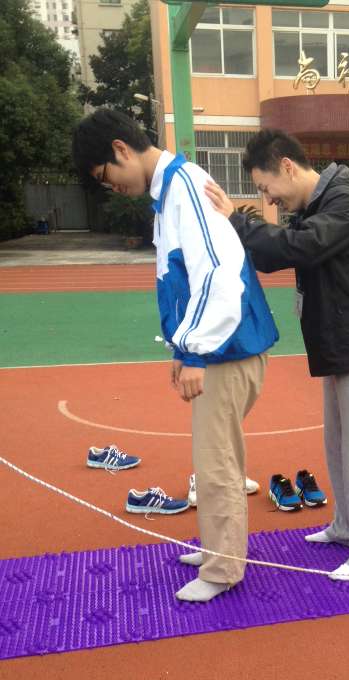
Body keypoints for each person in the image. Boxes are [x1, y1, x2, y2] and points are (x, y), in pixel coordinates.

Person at [72, 109, 279, 601]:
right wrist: (183, 347)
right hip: (219, 347)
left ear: (121, 149)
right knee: (213, 457)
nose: (110, 186)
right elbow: (182, 280)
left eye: (105, 175)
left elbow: (217, 275)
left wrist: (196, 352)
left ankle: (223, 567)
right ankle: (217, 548)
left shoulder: (185, 188)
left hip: (227, 349)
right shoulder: (169, 194)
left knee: (217, 461)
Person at [206, 129, 349, 582]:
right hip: (339, 346)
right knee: (339, 447)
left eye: (265, 186)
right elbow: (277, 252)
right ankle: (347, 526)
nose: (267, 198)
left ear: (287, 167)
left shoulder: (346, 203)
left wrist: (236, 220)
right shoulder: (317, 207)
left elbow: (295, 248)